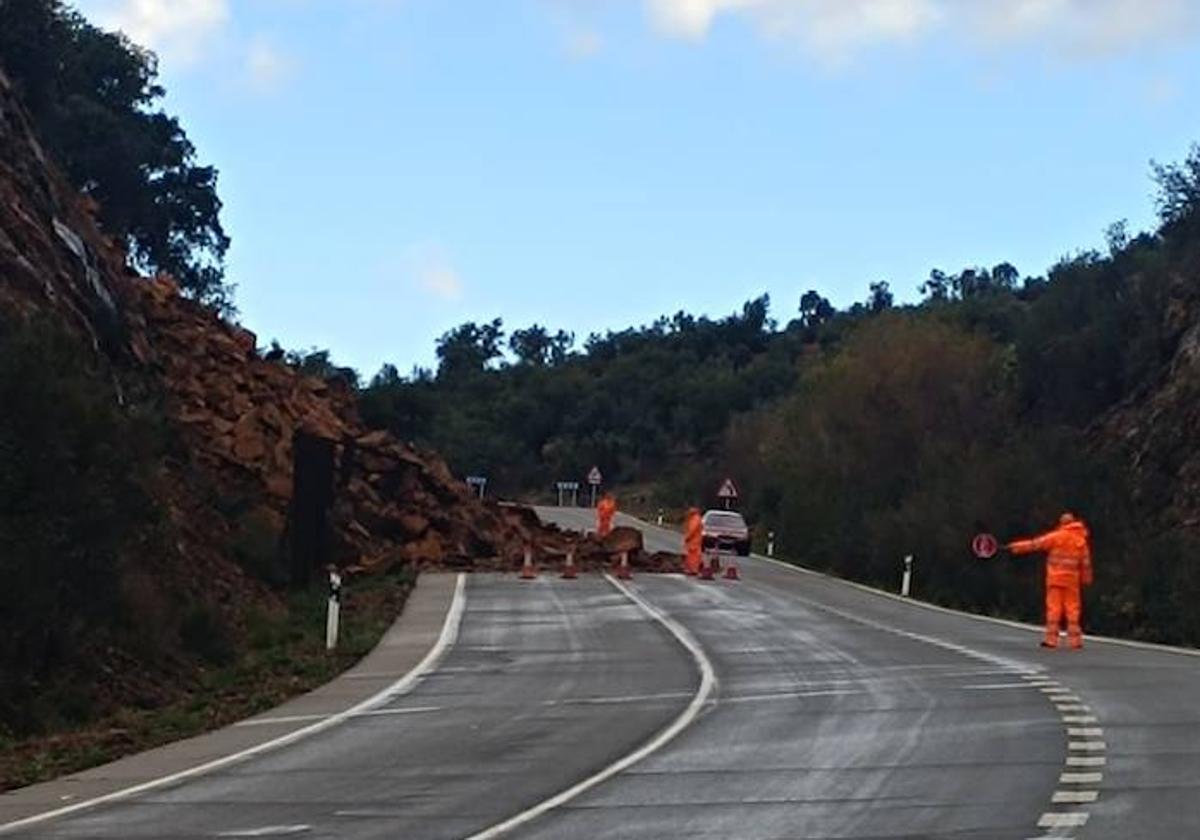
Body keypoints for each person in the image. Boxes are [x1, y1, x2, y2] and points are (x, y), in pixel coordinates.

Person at [1007, 512, 1093, 650]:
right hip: (1071, 581)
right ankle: (1075, 641)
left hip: (1055, 580)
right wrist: (1086, 580)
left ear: (1062, 524)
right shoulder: (1081, 541)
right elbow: (1086, 564)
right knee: (1073, 610)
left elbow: (1036, 544)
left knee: (1054, 609)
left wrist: (1017, 547)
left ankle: (1051, 640)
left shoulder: (1056, 537)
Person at [683, 507, 703, 576]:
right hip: (695, 540)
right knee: (693, 555)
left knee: (693, 556)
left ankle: (693, 569)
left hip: (694, 541)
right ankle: (693, 569)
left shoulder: (695, 519)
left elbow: (692, 530)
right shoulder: (695, 518)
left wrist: (687, 537)